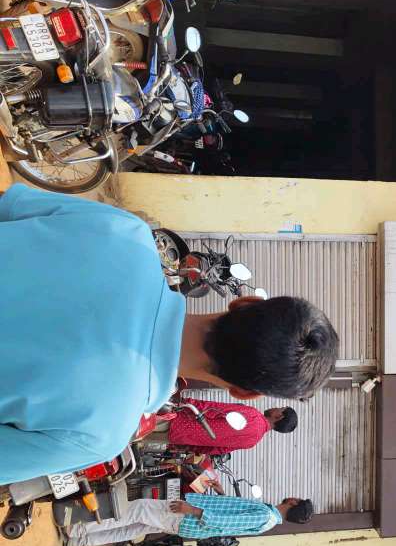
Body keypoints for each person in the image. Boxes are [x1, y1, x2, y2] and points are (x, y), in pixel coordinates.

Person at [0, 182, 339, 485]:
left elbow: (8, 205)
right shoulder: (101, 434)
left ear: (245, 302)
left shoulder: (127, 233)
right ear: (243, 392)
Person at [63, 493, 314, 546]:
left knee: (136, 509)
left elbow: (225, 524)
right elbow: (230, 514)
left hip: (188, 517)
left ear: (293, 503)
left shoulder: (265, 516)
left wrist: (192, 509)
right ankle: (79, 540)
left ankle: (76, 529)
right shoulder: (267, 518)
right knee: (136, 527)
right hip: (189, 522)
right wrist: (220, 491)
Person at [167, 401, 298, 455]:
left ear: (279, 416)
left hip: (176, 417)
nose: (275, 407)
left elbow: (214, 409)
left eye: (279, 408)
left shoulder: (253, 415)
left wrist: (184, 402)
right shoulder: (252, 442)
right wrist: (184, 446)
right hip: (175, 438)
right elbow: (215, 450)